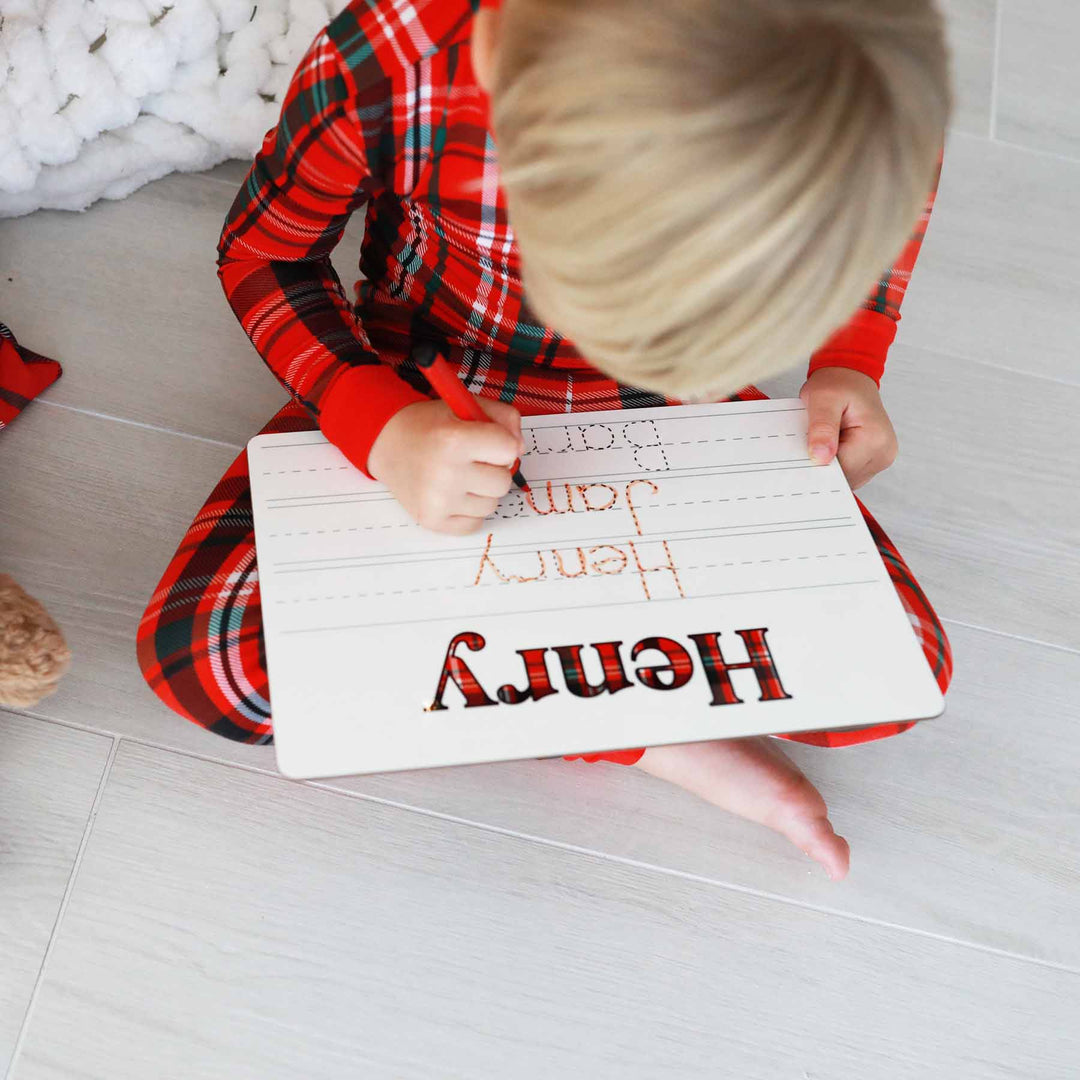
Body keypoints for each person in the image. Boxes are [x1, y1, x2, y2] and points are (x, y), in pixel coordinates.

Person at [138, 0, 954, 881]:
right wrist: (383, 428)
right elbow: (265, 255)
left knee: (895, 665)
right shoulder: (396, 59)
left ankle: (591, 707)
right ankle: (643, 731)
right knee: (213, 663)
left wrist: (851, 359)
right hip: (434, 384)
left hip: (671, 409)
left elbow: (893, 200)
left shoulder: (851, 70)